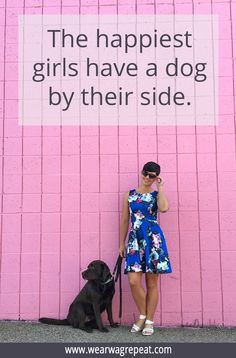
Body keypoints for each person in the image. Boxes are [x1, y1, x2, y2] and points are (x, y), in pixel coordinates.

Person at [119, 161, 172, 336]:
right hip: (134, 240)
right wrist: (121, 243)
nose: (148, 178)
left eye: (152, 176)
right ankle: (142, 314)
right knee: (134, 281)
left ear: (156, 177)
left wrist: (161, 188)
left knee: (151, 283)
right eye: (146, 174)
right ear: (141, 172)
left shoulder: (157, 195)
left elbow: (164, 208)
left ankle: (149, 320)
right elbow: (125, 221)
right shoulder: (129, 195)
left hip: (153, 240)